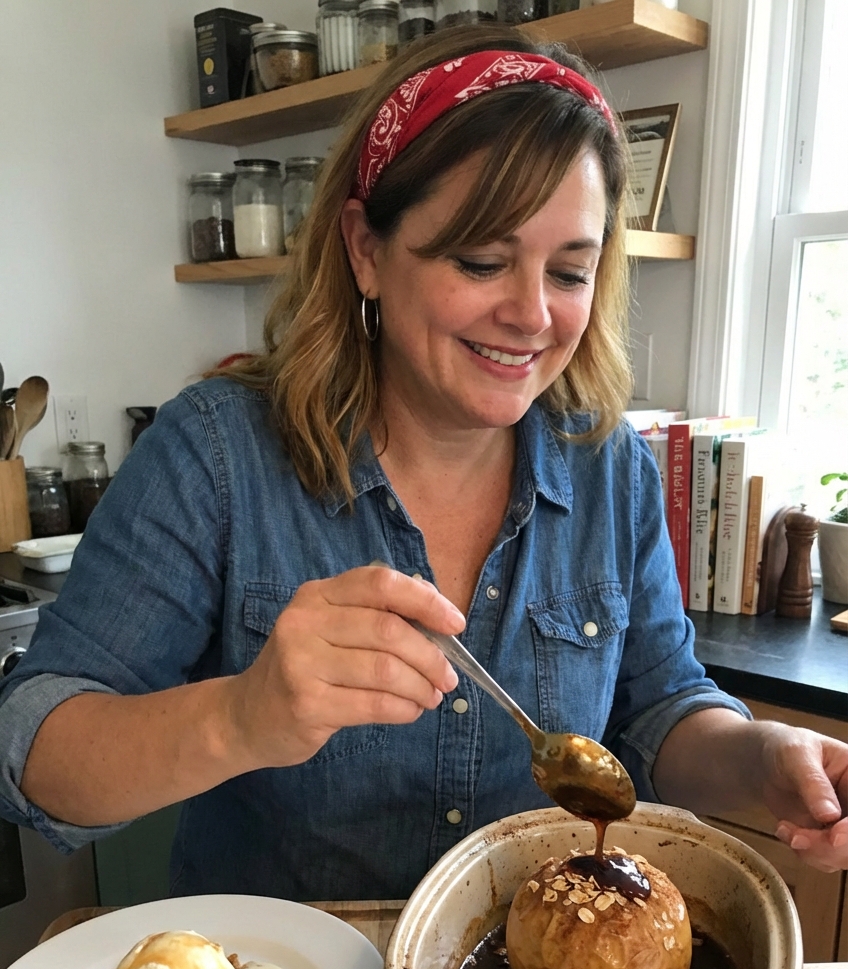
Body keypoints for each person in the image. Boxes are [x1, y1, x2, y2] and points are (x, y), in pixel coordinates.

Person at [0, 26, 845, 901]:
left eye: (569, 272)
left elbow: (659, 710)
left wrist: (766, 761)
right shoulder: (218, 455)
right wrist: (241, 717)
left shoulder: (609, 466)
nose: (532, 315)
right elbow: (33, 751)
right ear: (366, 250)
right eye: (481, 260)